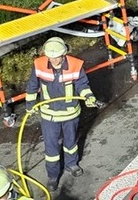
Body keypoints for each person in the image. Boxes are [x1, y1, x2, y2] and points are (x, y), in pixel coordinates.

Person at [25, 37, 100, 191]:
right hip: (49, 115)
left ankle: (71, 164)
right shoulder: (39, 65)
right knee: (51, 148)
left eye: (57, 57)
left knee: (71, 143)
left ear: (64, 54)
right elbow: (32, 87)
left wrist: (88, 96)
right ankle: (53, 176)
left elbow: (82, 85)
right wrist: (30, 106)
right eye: (50, 57)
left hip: (70, 114)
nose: (53, 60)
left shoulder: (75, 65)